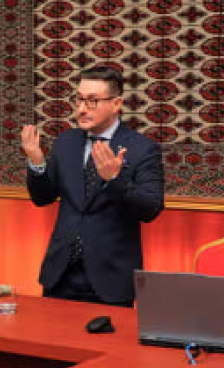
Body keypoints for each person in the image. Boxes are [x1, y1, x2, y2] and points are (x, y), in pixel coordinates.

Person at [21, 65, 165, 306]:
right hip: (60, 275)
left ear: (116, 104)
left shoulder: (143, 149)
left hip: (110, 279)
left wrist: (114, 179)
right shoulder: (66, 142)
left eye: (92, 101)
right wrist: (37, 162)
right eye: (79, 99)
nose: (81, 109)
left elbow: (150, 209)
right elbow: (43, 198)